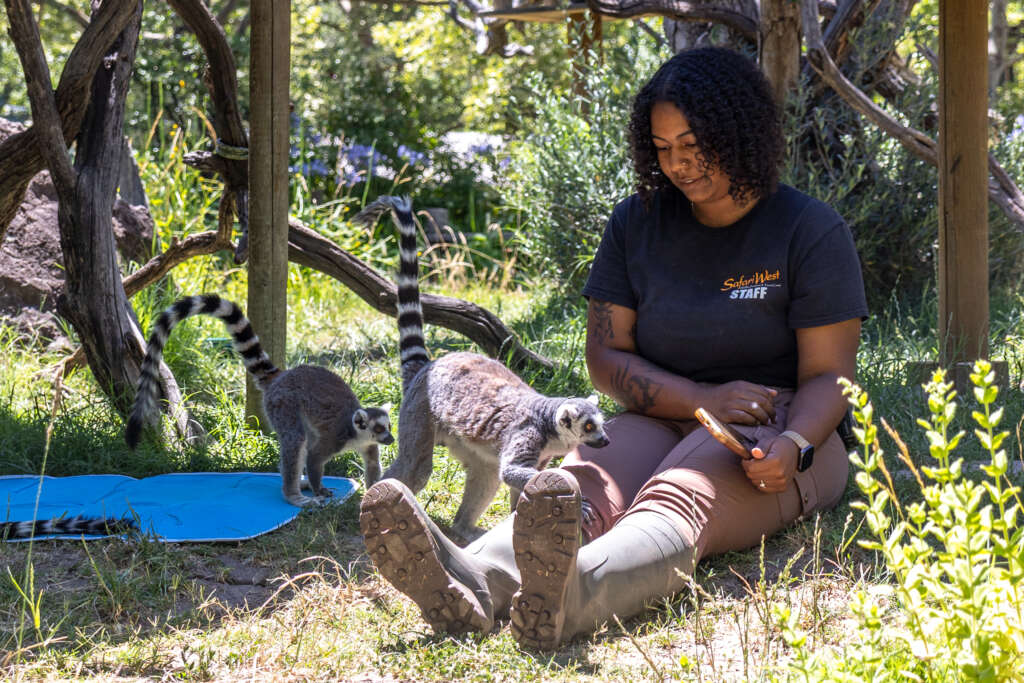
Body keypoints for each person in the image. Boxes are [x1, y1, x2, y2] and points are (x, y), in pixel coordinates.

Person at [359, 46, 868, 651]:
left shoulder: (809, 231)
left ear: (740, 131)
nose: (679, 164)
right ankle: (474, 577)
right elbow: (606, 359)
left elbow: (829, 376)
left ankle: (577, 596)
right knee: (579, 488)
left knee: (677, 500)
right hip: (659, 417)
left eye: (694, 144)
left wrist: (793, 444)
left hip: (774, 429)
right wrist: (701, 397)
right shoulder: (636, 224)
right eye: (663, 148)